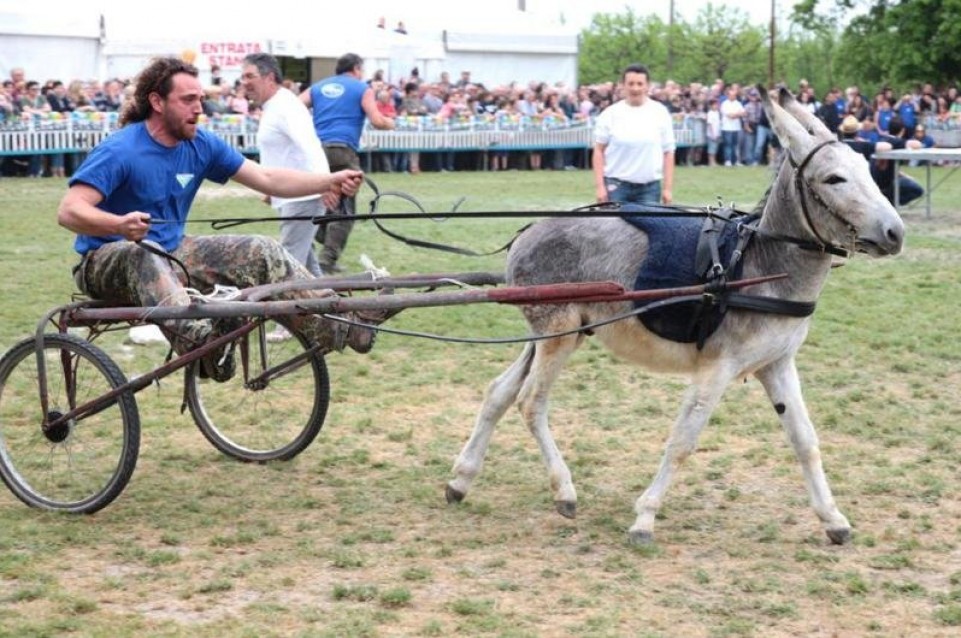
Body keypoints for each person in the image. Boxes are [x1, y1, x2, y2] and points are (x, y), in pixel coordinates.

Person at [57, 57, 378, 383]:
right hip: (105, 262)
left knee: (261, 249)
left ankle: (338, 326)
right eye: (187, 100)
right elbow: (69, 211)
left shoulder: (201, 144)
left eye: (199, 99)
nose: (199, 108)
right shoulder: (121, 150)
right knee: (145, 251)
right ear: (156, 102)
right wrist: (118, 225)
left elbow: (266, 178)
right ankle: (203, 344)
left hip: (172, 254)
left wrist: (328, 181)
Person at [300, 53, 395, 273]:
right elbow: (377, 120)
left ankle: (315, 249)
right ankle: (327, 261)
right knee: (345, 210)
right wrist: (391, 123)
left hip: (317, 151)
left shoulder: (318, 87)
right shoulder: (362, 88)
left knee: (320, 202)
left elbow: (294, 108)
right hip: (343, 150)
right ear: (357, 68)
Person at [592, 64, 676, 205]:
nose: (635, 88)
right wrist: (600, 187)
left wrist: (667, 188)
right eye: (630, 83)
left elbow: (668, 152)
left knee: (648, 227)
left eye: (639, 84)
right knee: (612, 227)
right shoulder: (610, 114)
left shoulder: (660, 113)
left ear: (647, 86)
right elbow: (598, 150)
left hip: (649, 188)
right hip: (616, 187)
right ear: (623, 85)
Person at [719, 84, 745, 166]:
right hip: (727, 127)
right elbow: (730, 116)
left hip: (736, 127)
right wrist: (737, 114)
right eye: (731, 95)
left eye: (734, 95)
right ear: (728, 95)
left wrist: (735, 115)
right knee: (728, 144)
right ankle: (728, 160)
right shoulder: (724, 104)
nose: (733, 97)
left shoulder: (738, 103)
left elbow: (744, 113)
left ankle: (735, 160)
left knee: (735, 145)